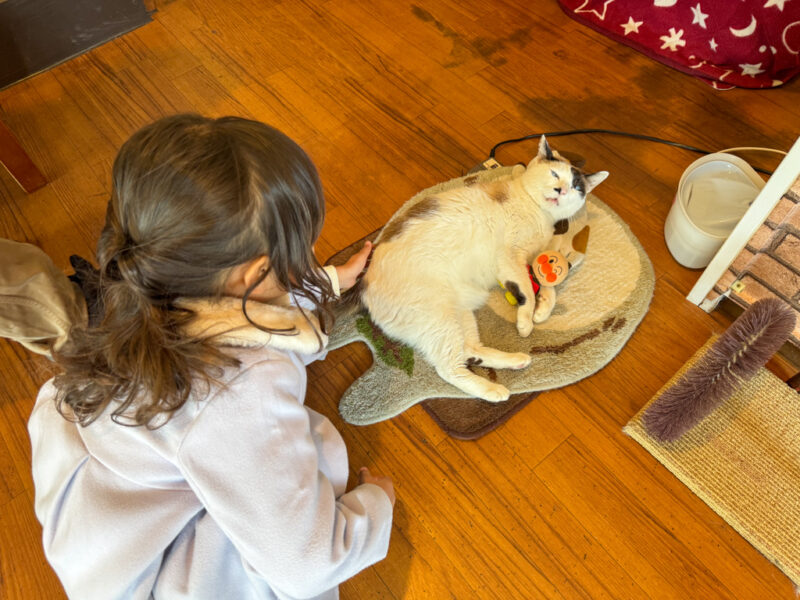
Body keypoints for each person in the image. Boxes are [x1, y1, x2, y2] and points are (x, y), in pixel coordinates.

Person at [27, 114, 394, 600]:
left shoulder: (146, 285)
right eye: (299, 252)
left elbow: (237, 309)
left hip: (113, 513)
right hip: (156, 565)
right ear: (255, 273)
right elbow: (304, 565)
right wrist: (376, 506)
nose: (305, 260)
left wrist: (324, 283)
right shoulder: (240, 393)